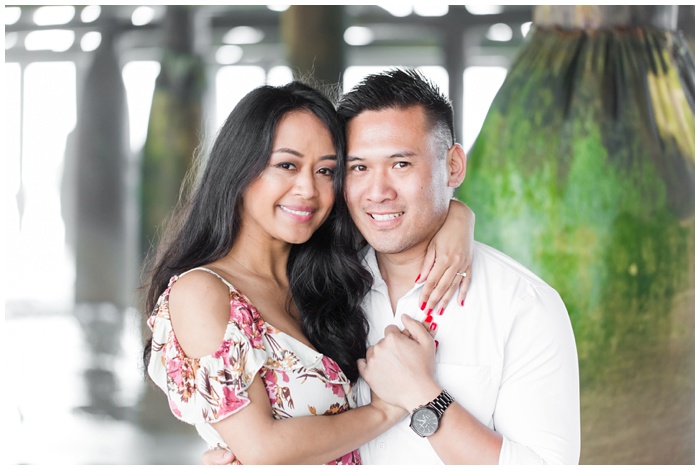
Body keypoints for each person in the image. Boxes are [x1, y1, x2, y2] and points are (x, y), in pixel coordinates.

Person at [204, 68, 580, 465]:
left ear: (453, 166)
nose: (378, 193)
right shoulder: (318, 286)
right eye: (358, 168)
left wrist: (425, 397)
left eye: (401, 164)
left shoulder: (523, 305)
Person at [142, 80, 475, 464]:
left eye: (326, 171)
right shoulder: (203, 293)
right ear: (239, 170)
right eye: (287, 165)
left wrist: (458, 218)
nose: (308, 190)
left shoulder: (323, 279)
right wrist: (388, 408)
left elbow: (407, 219)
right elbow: (262, 448)